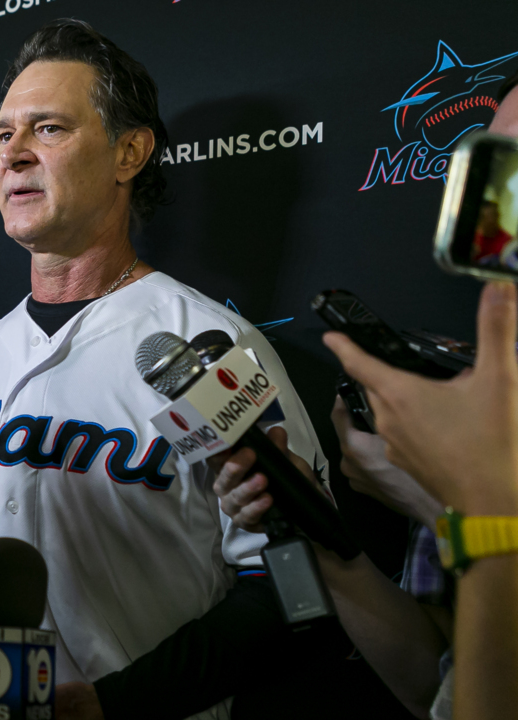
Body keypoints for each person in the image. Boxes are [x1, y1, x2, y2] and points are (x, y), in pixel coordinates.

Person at [0, 20, 332, 720]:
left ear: (130, 151)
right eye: (4, 135)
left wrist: (112, 706)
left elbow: (288, 576)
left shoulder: (207, 346)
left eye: (49, 129)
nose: (14, 155)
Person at [215, 69, 518, 720]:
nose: (495, 208)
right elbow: (435, 684)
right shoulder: (493, 399)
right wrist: (318, 528)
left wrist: (449, 504)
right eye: (494, 170)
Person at [471, 201, 512, 266]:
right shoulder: (472, 237)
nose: (492, 220)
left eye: (495, 215)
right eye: (488, 216)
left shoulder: (508, 241)